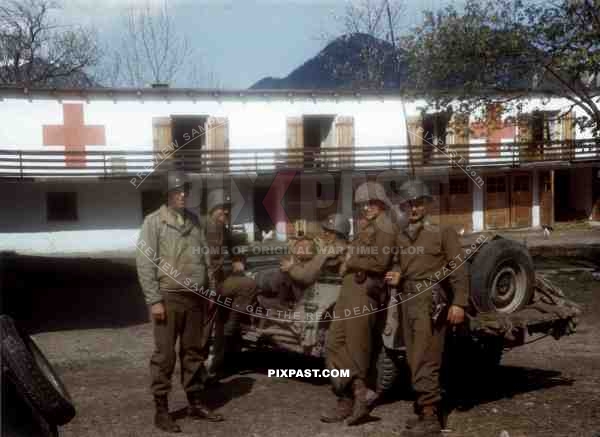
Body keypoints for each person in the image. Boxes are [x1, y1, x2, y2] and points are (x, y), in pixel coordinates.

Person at [136, 172, 224, 434]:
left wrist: (209, 291)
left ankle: (195, 402)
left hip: (195, 298)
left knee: (193, 351)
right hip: (168, 297)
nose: (183, 195)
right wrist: (154, 300)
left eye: (185, 191)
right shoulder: (154, 222)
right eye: (177, 191)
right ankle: (161, 410)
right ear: (168, 195)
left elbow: (205, 257)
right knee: (165, 355)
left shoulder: (195, 222)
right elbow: (144, 263)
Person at [384, 179, 468, 437]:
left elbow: (458, 270)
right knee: (412, 358)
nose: (413, 208)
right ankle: (423, 409)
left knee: (426, 358)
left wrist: (459, 302)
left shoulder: (443, 233)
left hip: (431, 302)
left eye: (418, 203)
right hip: (407, 302)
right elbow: (399, 263)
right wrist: (397, 273)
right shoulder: (401, 234)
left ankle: (431, 418)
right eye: (408, 204)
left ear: (427, 204)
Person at [322, 182, 395, 426]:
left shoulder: (385, 227)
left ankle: (356, 402)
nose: (366, 208)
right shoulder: (367, 227)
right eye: (363, 204)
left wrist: (352, 263)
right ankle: (350, 395)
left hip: (365, 293)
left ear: (382, 203)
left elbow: (380, 262)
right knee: (333, 345)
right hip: (348, 292)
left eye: (371, 203)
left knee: (356, 350)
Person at [204, 188, 233, 379]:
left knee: (221, 322)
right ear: (213, 209)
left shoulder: (222, 227)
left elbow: (232, 248)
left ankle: (215, 364)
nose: (227, 212)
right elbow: (206, 261)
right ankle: (200, 367)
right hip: (206, 284)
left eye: (228, 208)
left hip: (220, 281)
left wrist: (239, 259)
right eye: (223, 208)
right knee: (205, 327)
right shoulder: (205, 227)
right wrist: (212, 290)